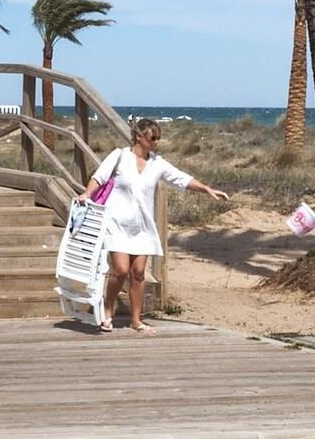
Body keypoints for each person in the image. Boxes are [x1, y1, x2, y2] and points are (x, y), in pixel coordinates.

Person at [74, 118, 228, 335]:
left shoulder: (157, 163)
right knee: (120, 270)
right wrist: (87, 194)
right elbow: (99, 177)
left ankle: (136, 320)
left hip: (142, 226)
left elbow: (181, 178)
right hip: (117, 223)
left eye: (158, 138)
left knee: (138, 273)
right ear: (139, 136)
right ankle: (107, 309)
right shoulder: (119, 156)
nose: (156, 142)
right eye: (153, 137)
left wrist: (207, 189)